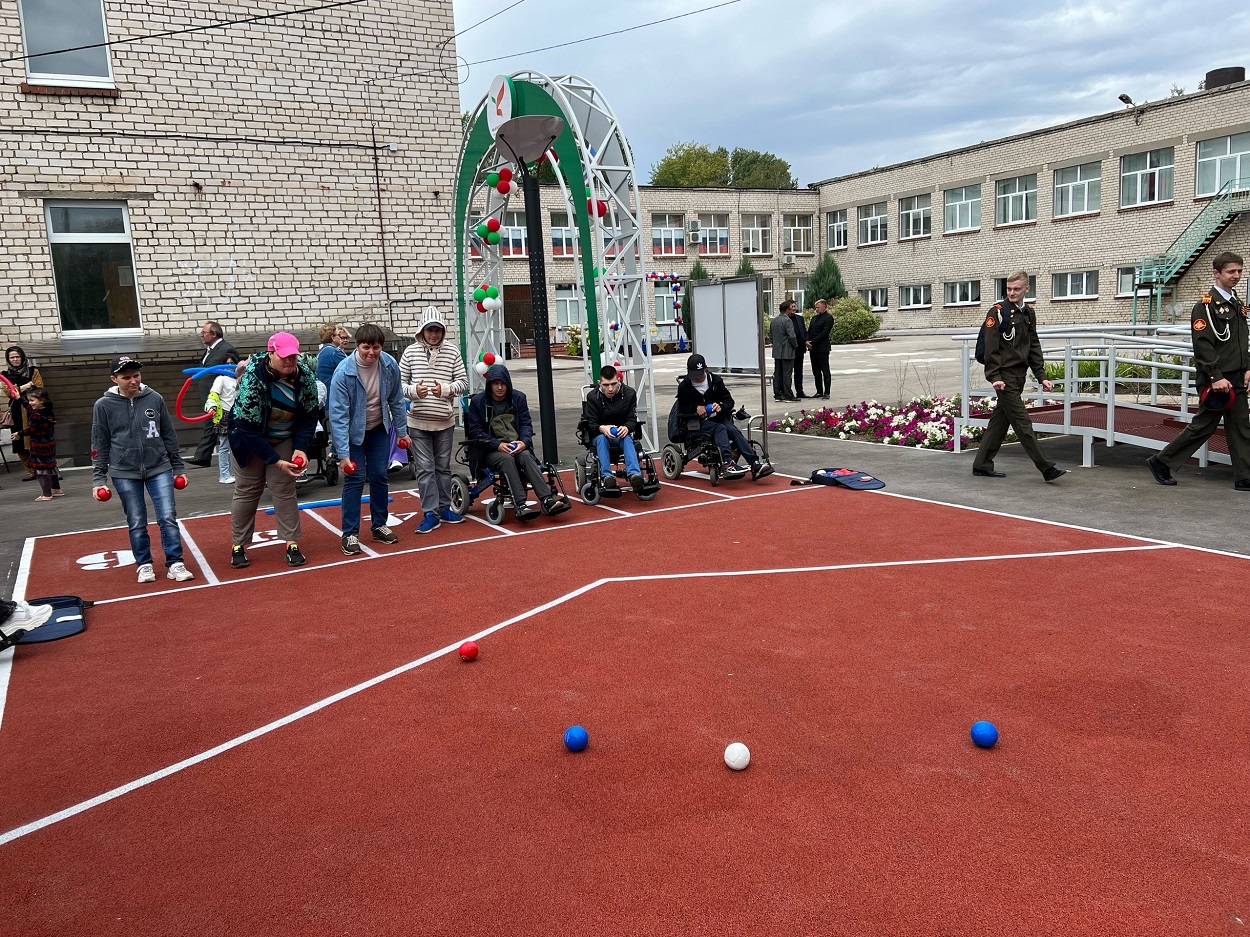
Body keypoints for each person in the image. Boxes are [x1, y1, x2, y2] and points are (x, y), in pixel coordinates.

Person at [1147, 251, 1250, 489]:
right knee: (1204, 426)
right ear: (1216, 273)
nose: (1236, 276)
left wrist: (1247, 368)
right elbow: (1203, 345)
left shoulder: (1237, 304)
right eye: (1231, 271)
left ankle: (1244, 476)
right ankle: (1161, 461)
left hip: (1236, 376)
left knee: (1241, 427)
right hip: (1217, 379)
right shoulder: (1205, 306)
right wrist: (1216, 376)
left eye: (1240, 271)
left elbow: (1240, 341)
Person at [91, 355, 194, 583]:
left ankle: (175, 562)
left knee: (167, 516)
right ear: (114, 378)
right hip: (124, 471)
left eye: (136, 375)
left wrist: (178, 466)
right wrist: (99, 479)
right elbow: (99, 443)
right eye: (126, 377)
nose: (133, 381)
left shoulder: (154, 398)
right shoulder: (104, 405)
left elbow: (168, 434)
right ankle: (144, 564)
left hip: (159, 466)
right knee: (136, 520)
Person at [227, 332, 318, 569]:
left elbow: (310, 414)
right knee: (248, 490)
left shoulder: (304, 376)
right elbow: (246, 426)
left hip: (283, 435)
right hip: (249, 438)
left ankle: (291, 543)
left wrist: (300, 449)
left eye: (294, 357)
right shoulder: (253, 378)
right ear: (271, 353)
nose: (289, 362)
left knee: (285, 489)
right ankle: (238, 545)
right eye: (284, 357)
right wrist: (274, 460)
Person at [972, 270, 1066, 483]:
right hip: (1004, 378)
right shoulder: (997, 312)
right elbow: (991, 349)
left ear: (1026, 289)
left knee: (999, 422)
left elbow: (1033, 345)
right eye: (1008, 289)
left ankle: (981, 465)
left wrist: (1041, 375)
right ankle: (1046, 467)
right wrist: (994, 376)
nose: (1012, 293)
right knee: (1023, 424)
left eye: (1016, 289)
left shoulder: (1028, 313)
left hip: (1019, 376)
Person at [328, 323, 410, 553]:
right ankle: (350, 534)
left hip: (378, 428)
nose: (371, 353)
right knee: (355, 479)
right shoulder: (343, 372)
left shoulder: (389, 364)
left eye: (376, 348)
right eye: (366, 347)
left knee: (380, 475)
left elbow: (396, 400)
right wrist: (342, 454)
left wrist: (402, 432)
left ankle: (379, 525)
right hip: (353, 432)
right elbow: (338, 416)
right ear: (357, 346)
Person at [466, 363, 571, 520]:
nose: (500, 387)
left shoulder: (518, 398)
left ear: (508, 383)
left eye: (503, 384)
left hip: (516, 446)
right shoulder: (478, 402)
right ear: (490, 385)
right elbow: (475, 432)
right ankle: (521, 503)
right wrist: (498, 445)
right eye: (496, 384)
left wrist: (524, 442)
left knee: (527, 455)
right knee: (506, 458)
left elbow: (526, 424)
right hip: (491, 450)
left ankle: (547, 499)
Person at [399, 306, 469, 534]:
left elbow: (463, 381)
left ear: (443, 330)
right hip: (417, 421)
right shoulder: (410, 352)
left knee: (442, 468)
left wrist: (447, 389)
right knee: (425, 469)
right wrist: (413, 391)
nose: (434, 334)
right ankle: (430, 513)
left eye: (438, 330)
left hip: (444, 421)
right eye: (430, 330)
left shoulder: (453, 352)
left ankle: (445, 507)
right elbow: (398, 385)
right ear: (422, 330)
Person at [677, 353, 773, 481]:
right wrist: (695, 408)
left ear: (705, 368)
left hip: (717, 417)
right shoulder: (684, 387)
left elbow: (729, 401)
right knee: (720, 428)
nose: (698, 378)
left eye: (700, 374)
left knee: (732, 430)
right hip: (697, 423)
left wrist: (721, 407)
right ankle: (727, 463)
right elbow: (681, 409)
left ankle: (754, 463)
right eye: (695, 375)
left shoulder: (716, 381)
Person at [584, 364, 644, 492]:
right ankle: (607, 476)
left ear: (619, 381)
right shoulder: (592, 397)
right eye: (606, 385)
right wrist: (601, 428)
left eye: (613, 384)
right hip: (600, 436)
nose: (610, 388)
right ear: (599, 383)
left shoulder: (629, 394)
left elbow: (632, 419)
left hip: (621, 434)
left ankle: (634, 475)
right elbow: (590, 424)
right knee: (601, 439)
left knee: (626, 438)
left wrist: (627, 427)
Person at [188, 321, 238, 467]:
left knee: (211, 423)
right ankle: (203, 456)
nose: (201, 335)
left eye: (204, 332)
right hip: (210, 394)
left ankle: (202, 456)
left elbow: (232, 370)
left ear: (214, 334)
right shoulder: (211, 349)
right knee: (210, 423)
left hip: (220, 396)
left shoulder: (227, 349)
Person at [3, 346, 44, 481]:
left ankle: (44, 469)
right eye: (12, 357)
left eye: (17, 356)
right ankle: (31, 471)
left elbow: (39, 388)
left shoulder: (33, 371)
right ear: (8, 360)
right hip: (16, 411)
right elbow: (9, 393)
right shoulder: (5, 375)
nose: (15, 359)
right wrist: (27, 386)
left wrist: (18, 390)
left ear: (22, 357)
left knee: (38, 439)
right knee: (20, 442)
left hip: (34, 409)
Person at [19, 387, 62, 501]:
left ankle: (46, 494)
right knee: (50, 465)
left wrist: (19, 433)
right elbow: (29, 408)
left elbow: (31, 430)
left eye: (32, 400)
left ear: (41, 400)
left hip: (39, 446)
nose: (30, 403)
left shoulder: (36, 416)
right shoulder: (47, 411)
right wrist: (19, 398)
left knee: (41, 469)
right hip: (50, 444)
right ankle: (56, 489)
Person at [205, 352, 240, 484]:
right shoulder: (221, 379)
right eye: (227, 363)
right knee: (225, 446)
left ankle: (237, 473)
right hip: (225, 415)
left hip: (238, 415)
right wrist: (212, 406)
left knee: (237, 445)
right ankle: (224, 475)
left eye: (232, 363)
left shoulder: (239, 378)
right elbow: (213, 395)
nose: (230, 366)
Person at [770, 301, 797, 402]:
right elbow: (792, 336)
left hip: (777, 351)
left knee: (778, 373)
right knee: (787, 374)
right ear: (787, 310)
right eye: (791, 308)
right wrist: (795, 346)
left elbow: (771, 335)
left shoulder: (774, 321)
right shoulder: (788, 321)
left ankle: (778, 394)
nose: (793, 310)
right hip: (787, 351)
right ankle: (788, 395)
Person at [808, 298, 833, 400]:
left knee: (825, 370)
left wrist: (812, 342)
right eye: (816, 307)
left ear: (824, 306)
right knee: (816, 371)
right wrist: (807, 341)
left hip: (822, 348)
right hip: (813, 349)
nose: (816, 309)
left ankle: (827, 392)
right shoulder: (814, 318)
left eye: (818, 307)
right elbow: (809, 331)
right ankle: (819, 391)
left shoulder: (828, 318)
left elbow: (825, 333)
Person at [791, 302, 809, 399]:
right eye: (792, 307)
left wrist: (806, 340)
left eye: (795, 306)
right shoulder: (786, 319)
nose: (794, 308)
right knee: (788, 372)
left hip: (800, 349)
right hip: (790, 350)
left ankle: (800, 391)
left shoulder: (799, 318)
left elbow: (804, 332)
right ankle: (787, 392)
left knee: (799, 371)